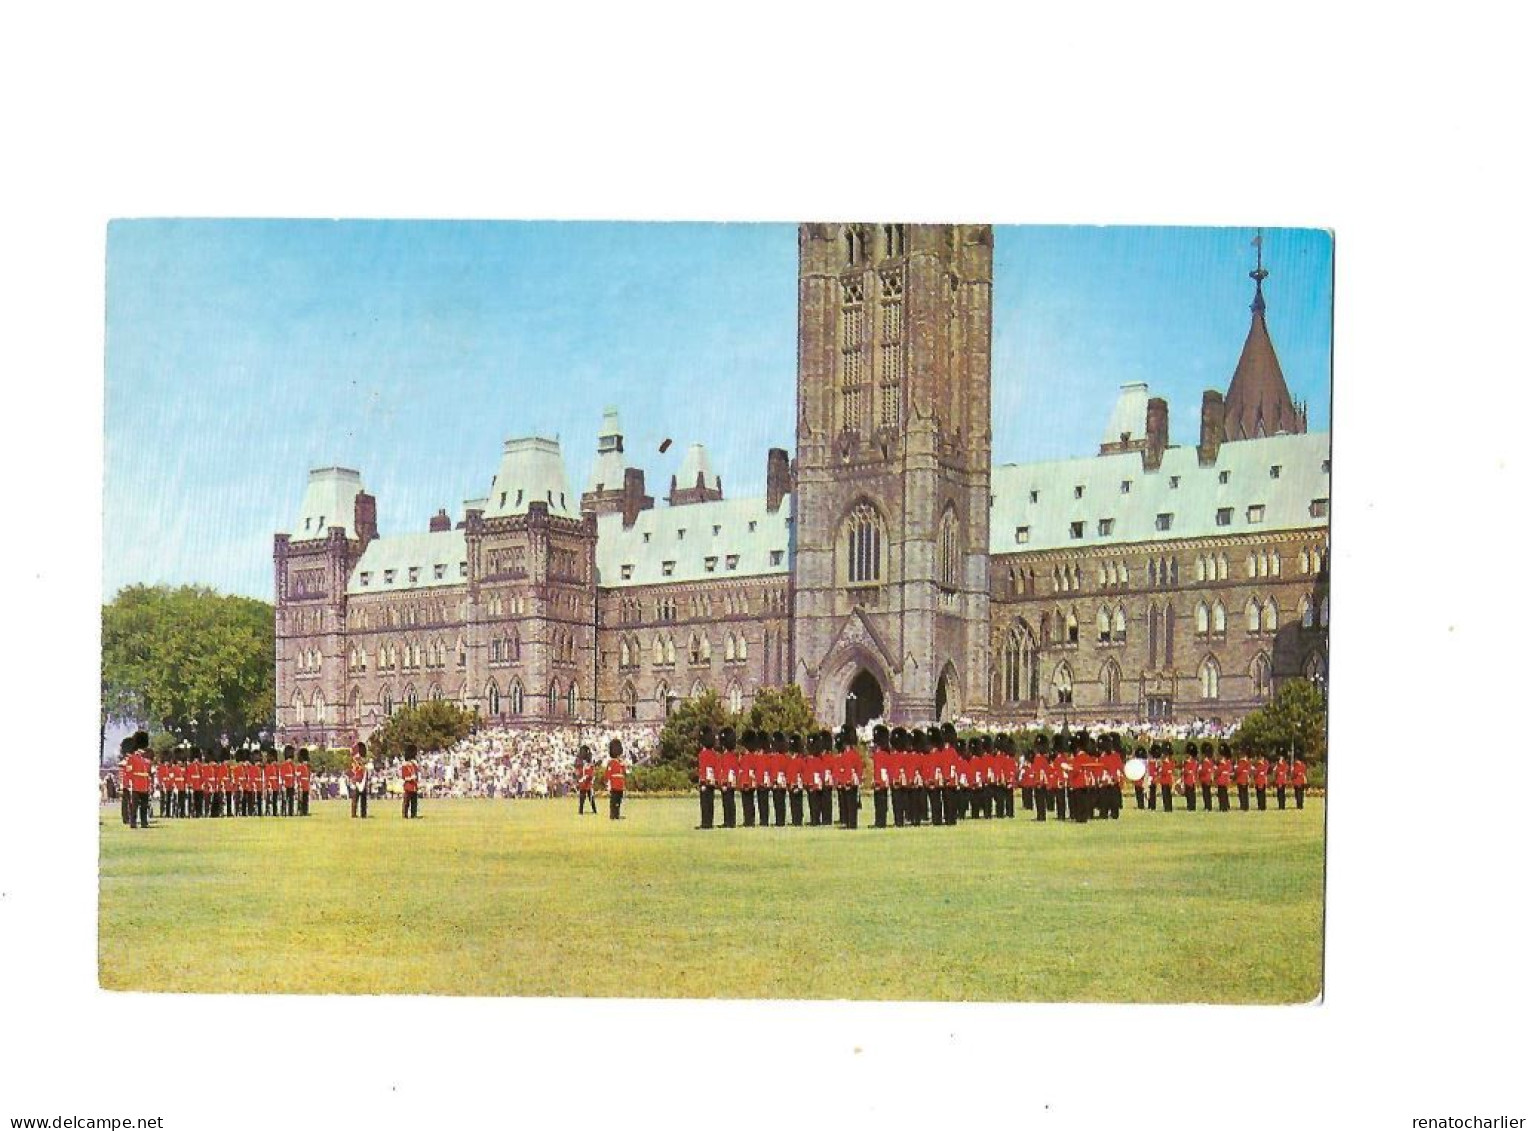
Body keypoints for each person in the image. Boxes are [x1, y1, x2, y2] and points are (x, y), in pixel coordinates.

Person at [126, 732, 153, 829]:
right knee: (134, 806)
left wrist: (150, 784)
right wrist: (129, 783)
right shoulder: (132, 758)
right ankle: (133, 822)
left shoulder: (146, 759)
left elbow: (148, 773)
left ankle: (144, 822)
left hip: (145, 785)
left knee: (144, 806)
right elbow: (129, 771)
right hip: (136, 784)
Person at [697, 727, 717, 830]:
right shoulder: (713, 754)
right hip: (712, 779)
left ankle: (705, 823)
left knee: (705, 803)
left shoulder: (703, 754)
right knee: (710, 802)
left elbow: (703, 769)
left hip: (705, 780)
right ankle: (710, 822)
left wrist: (703, 782)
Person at [719, 727, 739, 829]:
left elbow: (725, 770)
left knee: (727, 803)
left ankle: (728, 821)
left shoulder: (726, 756)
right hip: (732, 780)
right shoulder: (733, 756)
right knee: (731, 801)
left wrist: (724, 783)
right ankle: (731, 821)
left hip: (727, 782)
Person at [605, 738, 626, 820]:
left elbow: (623, 773)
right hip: (614, 785)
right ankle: (612, 815)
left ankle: (617, 815)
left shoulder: (621, 762)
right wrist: (608, 783)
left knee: (618, 801)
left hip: (620, 785)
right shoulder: (611, 763)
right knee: (613, 801)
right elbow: (608, 774)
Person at [349, 742, 370, 818]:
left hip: (363, 780)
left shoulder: (362, 760)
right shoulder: (356, 760)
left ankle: (363, 813)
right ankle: (354, 814)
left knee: (362, 799)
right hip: (357, 781)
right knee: (355, 799)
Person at [576, 747, 598, 814]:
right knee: (582, 798)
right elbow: (579, 773)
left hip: (588, 784)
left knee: (591, 798)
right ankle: (581, 811)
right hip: (583, 784)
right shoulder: (582, 765)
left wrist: (587, 777)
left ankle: (594, 810)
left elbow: (591, 775)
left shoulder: (590, 766)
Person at [401, 744, 420, 819]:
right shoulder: (405, 765)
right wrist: (411, 778)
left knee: (414, 803)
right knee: (406, 802)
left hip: (414, 786)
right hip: (408, 786)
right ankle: (405, 815)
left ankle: (413, 815)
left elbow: (417, 774)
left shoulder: (414, 765)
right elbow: (404, 777)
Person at [280, 745, 298, 817]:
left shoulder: (293, 765)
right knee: (284, 800)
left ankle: (291, 812)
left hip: (291, 784)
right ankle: (283, 812)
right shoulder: (283, 765)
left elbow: (294, 775)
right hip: (286, 784)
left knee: (291, 799)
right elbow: (282, 775)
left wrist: (295, 783)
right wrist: (283, 784)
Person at [1215, 743, 1233, 812]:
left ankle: (1223, 807)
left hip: (1221, 780)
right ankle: (1226, 806)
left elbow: (1218, 771)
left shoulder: (1222, 762)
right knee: (1225, 793)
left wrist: (1215, 776)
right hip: (1226, 779)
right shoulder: (1228, 762)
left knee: (1221, 794)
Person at [1235, 743, 1253, 812]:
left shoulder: (1241, 761)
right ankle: (1246, 806)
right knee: (1245, 793)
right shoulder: (1248, 761)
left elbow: (1238, 770)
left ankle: (1243, 806)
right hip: (1246, 778)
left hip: (1241, 778)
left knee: (1241, 793)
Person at [296, 748, 312, 816]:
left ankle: (305, 811)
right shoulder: (299, 767)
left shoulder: (308, 767)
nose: (306, 762)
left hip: (306, 784)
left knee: (306, 799)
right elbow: (298, 777)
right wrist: (299, 784)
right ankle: (301, 811)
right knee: (301, 799)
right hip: (302, 784)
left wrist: (309, 785)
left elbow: (308, 777)